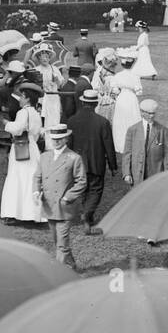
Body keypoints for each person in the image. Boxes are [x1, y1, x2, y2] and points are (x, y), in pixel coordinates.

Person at [32, 123, 88, 269]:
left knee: (61, 243)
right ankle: (71, 264)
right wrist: (36, 192)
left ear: (66, 139)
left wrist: (67, 197)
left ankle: (58, 274)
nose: (56, 141)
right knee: (57, 241)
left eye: (59, 139)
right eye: (54, 139)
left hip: (64, 207)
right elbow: (37, 176)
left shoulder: (74, 158)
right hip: (49, 206)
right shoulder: (44, 157)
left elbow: (81, 181)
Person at [66, 89, 117, 234]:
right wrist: (113, 166)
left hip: (77, 162)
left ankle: (88, 215)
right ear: (95, 103)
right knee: (95, 190)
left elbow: (69, 144)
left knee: (83, 189)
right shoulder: (103, 122)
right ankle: (87, 214)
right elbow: (109, 145)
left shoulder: (71, 120)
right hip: (96, 162)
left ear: (82, 102)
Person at [0, 83, 44, 224]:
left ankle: (13, 213)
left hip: (21, 146)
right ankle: (33, 213)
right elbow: (36, 133)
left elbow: (18, 129)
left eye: (21, 96)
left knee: (17, 178)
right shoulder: (36, 113)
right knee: (31, 179)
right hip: (32, 147)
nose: (19, 99)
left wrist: (7, 124)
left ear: (27, 98)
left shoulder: (23, 113)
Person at [124, 99, 168, 186]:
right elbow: (127, 153)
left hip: (155, 174)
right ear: (142, 112)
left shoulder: (163, 131)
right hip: (137, 174)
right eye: (149, 113)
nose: (151, 116)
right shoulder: (132, 130)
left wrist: (167, 173)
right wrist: (127, 173)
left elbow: (167, 155)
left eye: (153, 113)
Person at [110, 51, 143, 154]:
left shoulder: (118, 75)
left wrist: (119, 91)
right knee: (132, 118)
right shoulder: (135, 76)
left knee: (121, 120)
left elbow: (114, 89)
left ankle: (121, 144)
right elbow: (139, 92)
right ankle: (132, 143)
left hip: (121, 98)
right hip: (131, 98)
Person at [32, 44, 65, 129]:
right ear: (39, 58)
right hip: (42, 98)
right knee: (42, 119)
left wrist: (56, 79)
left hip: (53, 98)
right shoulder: (36, 70)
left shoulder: (54, 69)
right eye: (42, 57)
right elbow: (34, 85)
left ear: (49, 58)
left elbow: (61, 84)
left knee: (55, 119)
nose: (45, 59)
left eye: (46, 57)